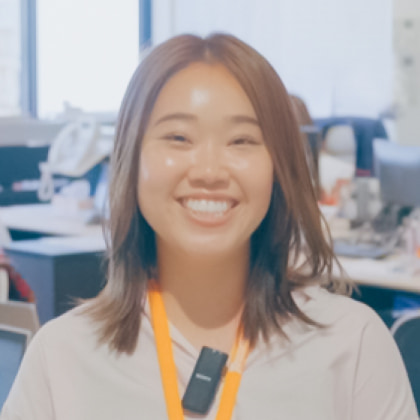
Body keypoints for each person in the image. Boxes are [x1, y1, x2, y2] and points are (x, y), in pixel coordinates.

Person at [1, 33, 417, 420]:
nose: (209, 171)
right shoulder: (62, 356)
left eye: (242, 141)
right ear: (131, 158)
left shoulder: (353, 345)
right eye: (178, 138)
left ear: (279, 167)